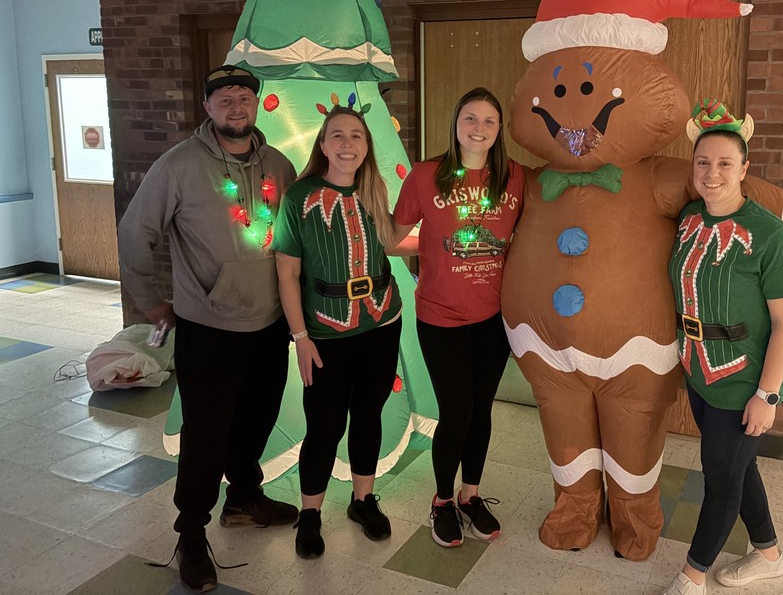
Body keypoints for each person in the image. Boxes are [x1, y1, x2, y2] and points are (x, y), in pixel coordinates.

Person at [118, 65, 298, 592]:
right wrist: (151, 305)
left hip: (269, 323)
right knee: (205, 434)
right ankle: (191, 534)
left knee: (258, 417)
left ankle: (243, 498)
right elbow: (135, 232)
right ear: (208, 107)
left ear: (256, 104)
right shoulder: (177, 166)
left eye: (244, 96)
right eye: (225, 98)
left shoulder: (280, 165)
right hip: (209, 327)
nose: (236, 105)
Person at [661, 101, 783, 595]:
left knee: (721, 477)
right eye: (703, 162)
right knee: (739, 466)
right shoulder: (688, 219)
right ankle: (768, 553)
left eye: (725, 163)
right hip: (699, 371)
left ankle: (692, 575)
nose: (712, 172)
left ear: (745, 168)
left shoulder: (773, 237)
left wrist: (766, 397)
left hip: (745, 379)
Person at [392, 87, 525, 547]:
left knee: (481, 410)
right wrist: (431, 246)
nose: (479, 129)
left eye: (489, 121)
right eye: (470, 118)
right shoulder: (427, 175)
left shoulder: (514, 178)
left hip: (493, 319)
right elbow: (394, 239)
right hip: (441, 317)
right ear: (455, 123)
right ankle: (442, 502)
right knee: (456, 411)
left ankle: (471, 496)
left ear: (499, 129)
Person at [269, 106, 403, 558]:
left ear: (367, 148)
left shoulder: (375, 191)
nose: (348, 144)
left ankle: (363, 500)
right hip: (325, 333)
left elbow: (392, 242)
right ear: (323, 145)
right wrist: (300, 337)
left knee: (369, 415)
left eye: (357, 137)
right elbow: (287, 275)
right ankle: (310, 513)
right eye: (338, 136)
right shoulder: (298, 199)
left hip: (382, 322)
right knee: (324, 424)